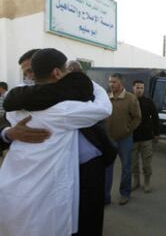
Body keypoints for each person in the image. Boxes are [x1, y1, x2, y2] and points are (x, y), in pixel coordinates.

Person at [0, 48, 112, 236]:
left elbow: (14, 102)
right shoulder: (66, 109)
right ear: (58, 72)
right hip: (52, 184)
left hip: (17, 180)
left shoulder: (16, 105)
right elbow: (104, 108)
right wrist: (86, 80)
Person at [105, 73, 141, 205]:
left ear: (121, 83)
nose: (111, 84)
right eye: (110, 82)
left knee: (126, 167)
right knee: (107, 168)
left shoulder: (131, 99)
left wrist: (127, 129)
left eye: (114, 82)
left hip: (125, 139)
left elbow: (137, 118)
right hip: (108, 139)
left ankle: (125, 194)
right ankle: (105, 196)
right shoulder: (105, 98)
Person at [131, 79, 160, 193]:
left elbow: (155, 118)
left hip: (146, 138)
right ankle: (136, 181)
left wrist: (156, 133)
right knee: (133, 163)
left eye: (141, 88)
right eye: (137, 87)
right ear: (133, 88)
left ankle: (147, 182)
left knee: (147, 163)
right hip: (132, 138)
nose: (139, 90)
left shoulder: (149, 102)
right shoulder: (129, 100)